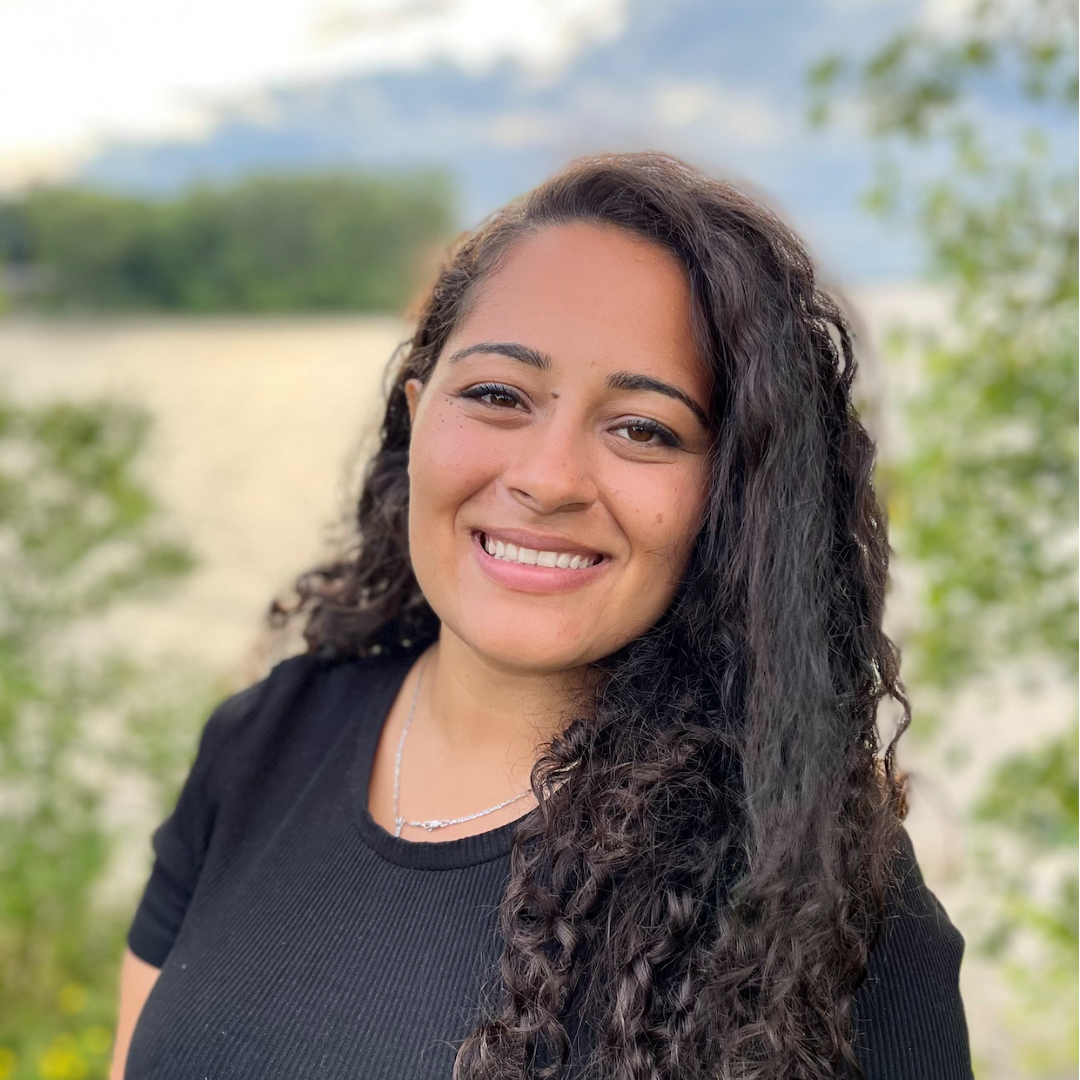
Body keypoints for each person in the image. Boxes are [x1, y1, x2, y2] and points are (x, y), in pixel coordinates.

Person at [110, 152, 972, 1080]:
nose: (547, 477)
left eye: (644, 428)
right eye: (497, 395)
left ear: (731, 498)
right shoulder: (259, 745)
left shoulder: (822, 903)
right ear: (417, 416)